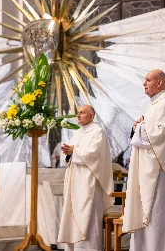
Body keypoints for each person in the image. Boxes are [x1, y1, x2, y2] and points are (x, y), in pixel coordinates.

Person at [123, 69, 165, 251]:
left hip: (160, 171)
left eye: (148, 80)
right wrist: (140, 126)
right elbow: (149, 131)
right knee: (150, 213)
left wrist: (140, 127)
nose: (144, 84)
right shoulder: (155, 104)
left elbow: (159, 134)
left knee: (157, 216)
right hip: (150, 169)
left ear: (159, 82)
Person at [57, 105, 114, 251]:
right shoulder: (79, 133)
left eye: (82, 113)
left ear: (92, 115)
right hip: (75, 182)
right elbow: (71, 153)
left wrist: (74, 151)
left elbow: (94, 154)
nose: (79, 115)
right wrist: (68, 152)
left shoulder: (98, 132)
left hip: (89, 183)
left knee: (89, 220)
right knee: (74, 218)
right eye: (78, 113)